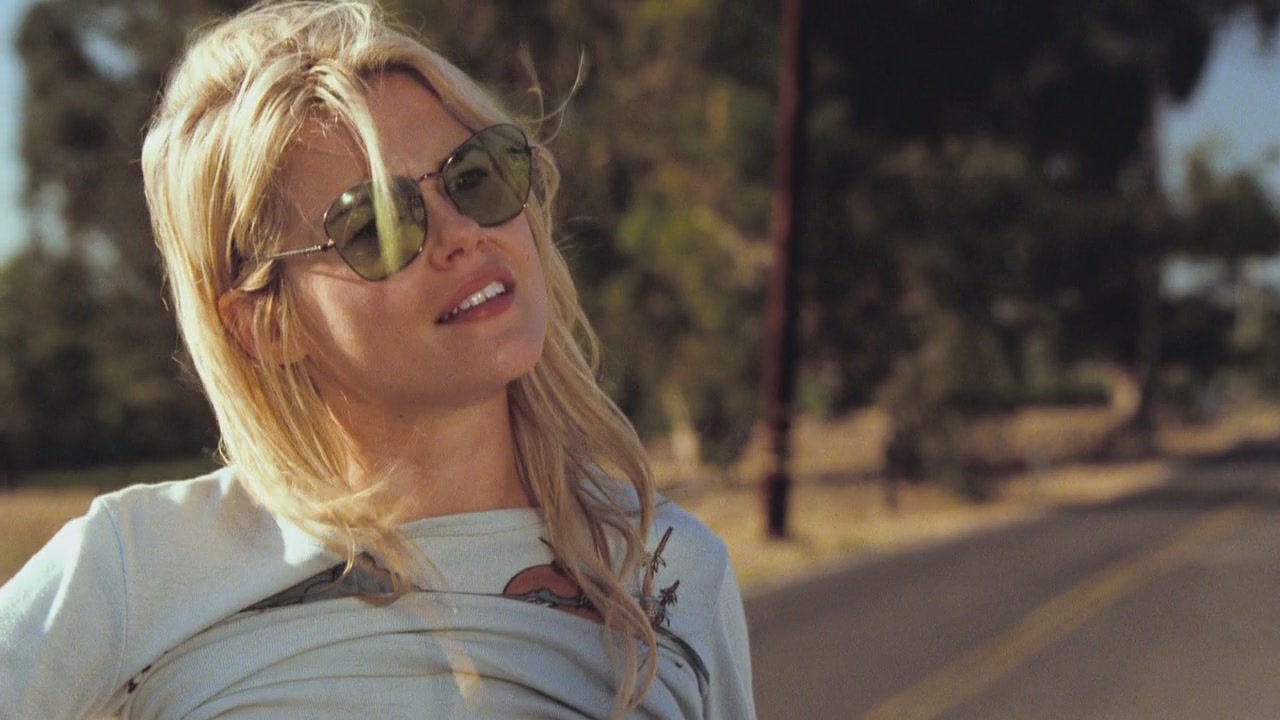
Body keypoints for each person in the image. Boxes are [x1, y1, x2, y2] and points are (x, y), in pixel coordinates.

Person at [0, 1, 756, 718]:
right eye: (378, 226)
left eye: (474, 176)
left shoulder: (670, 570)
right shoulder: (137, 570)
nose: (462, 234)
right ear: (265, 324)